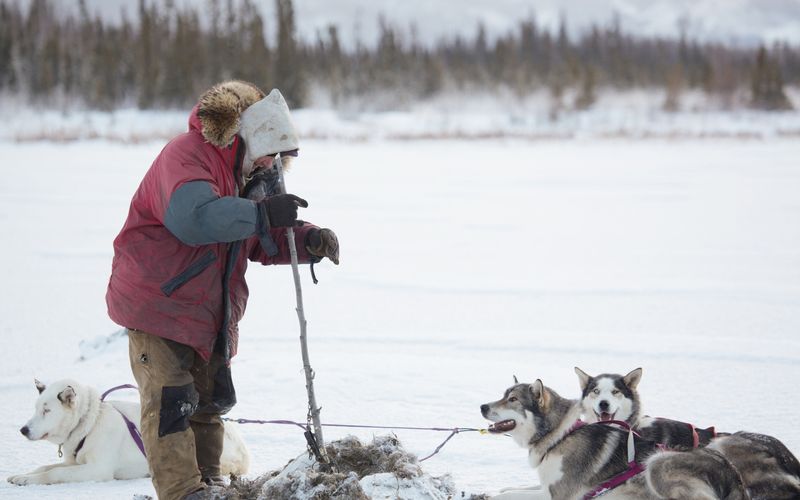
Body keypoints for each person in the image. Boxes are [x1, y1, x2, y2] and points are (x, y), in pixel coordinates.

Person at [106, 80, 339, 500]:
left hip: (209, 312)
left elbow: (259, 237)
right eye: (267, 151)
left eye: (276, 156)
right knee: (172, 404)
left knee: (208, 402)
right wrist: (261, 214)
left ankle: (209, 485)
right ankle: (183, 493)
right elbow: (194, 218)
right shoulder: (187, 154)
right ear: (245, 134)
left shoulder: (252, 172)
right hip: (158, 302)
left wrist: (309, 240)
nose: (272, 162)